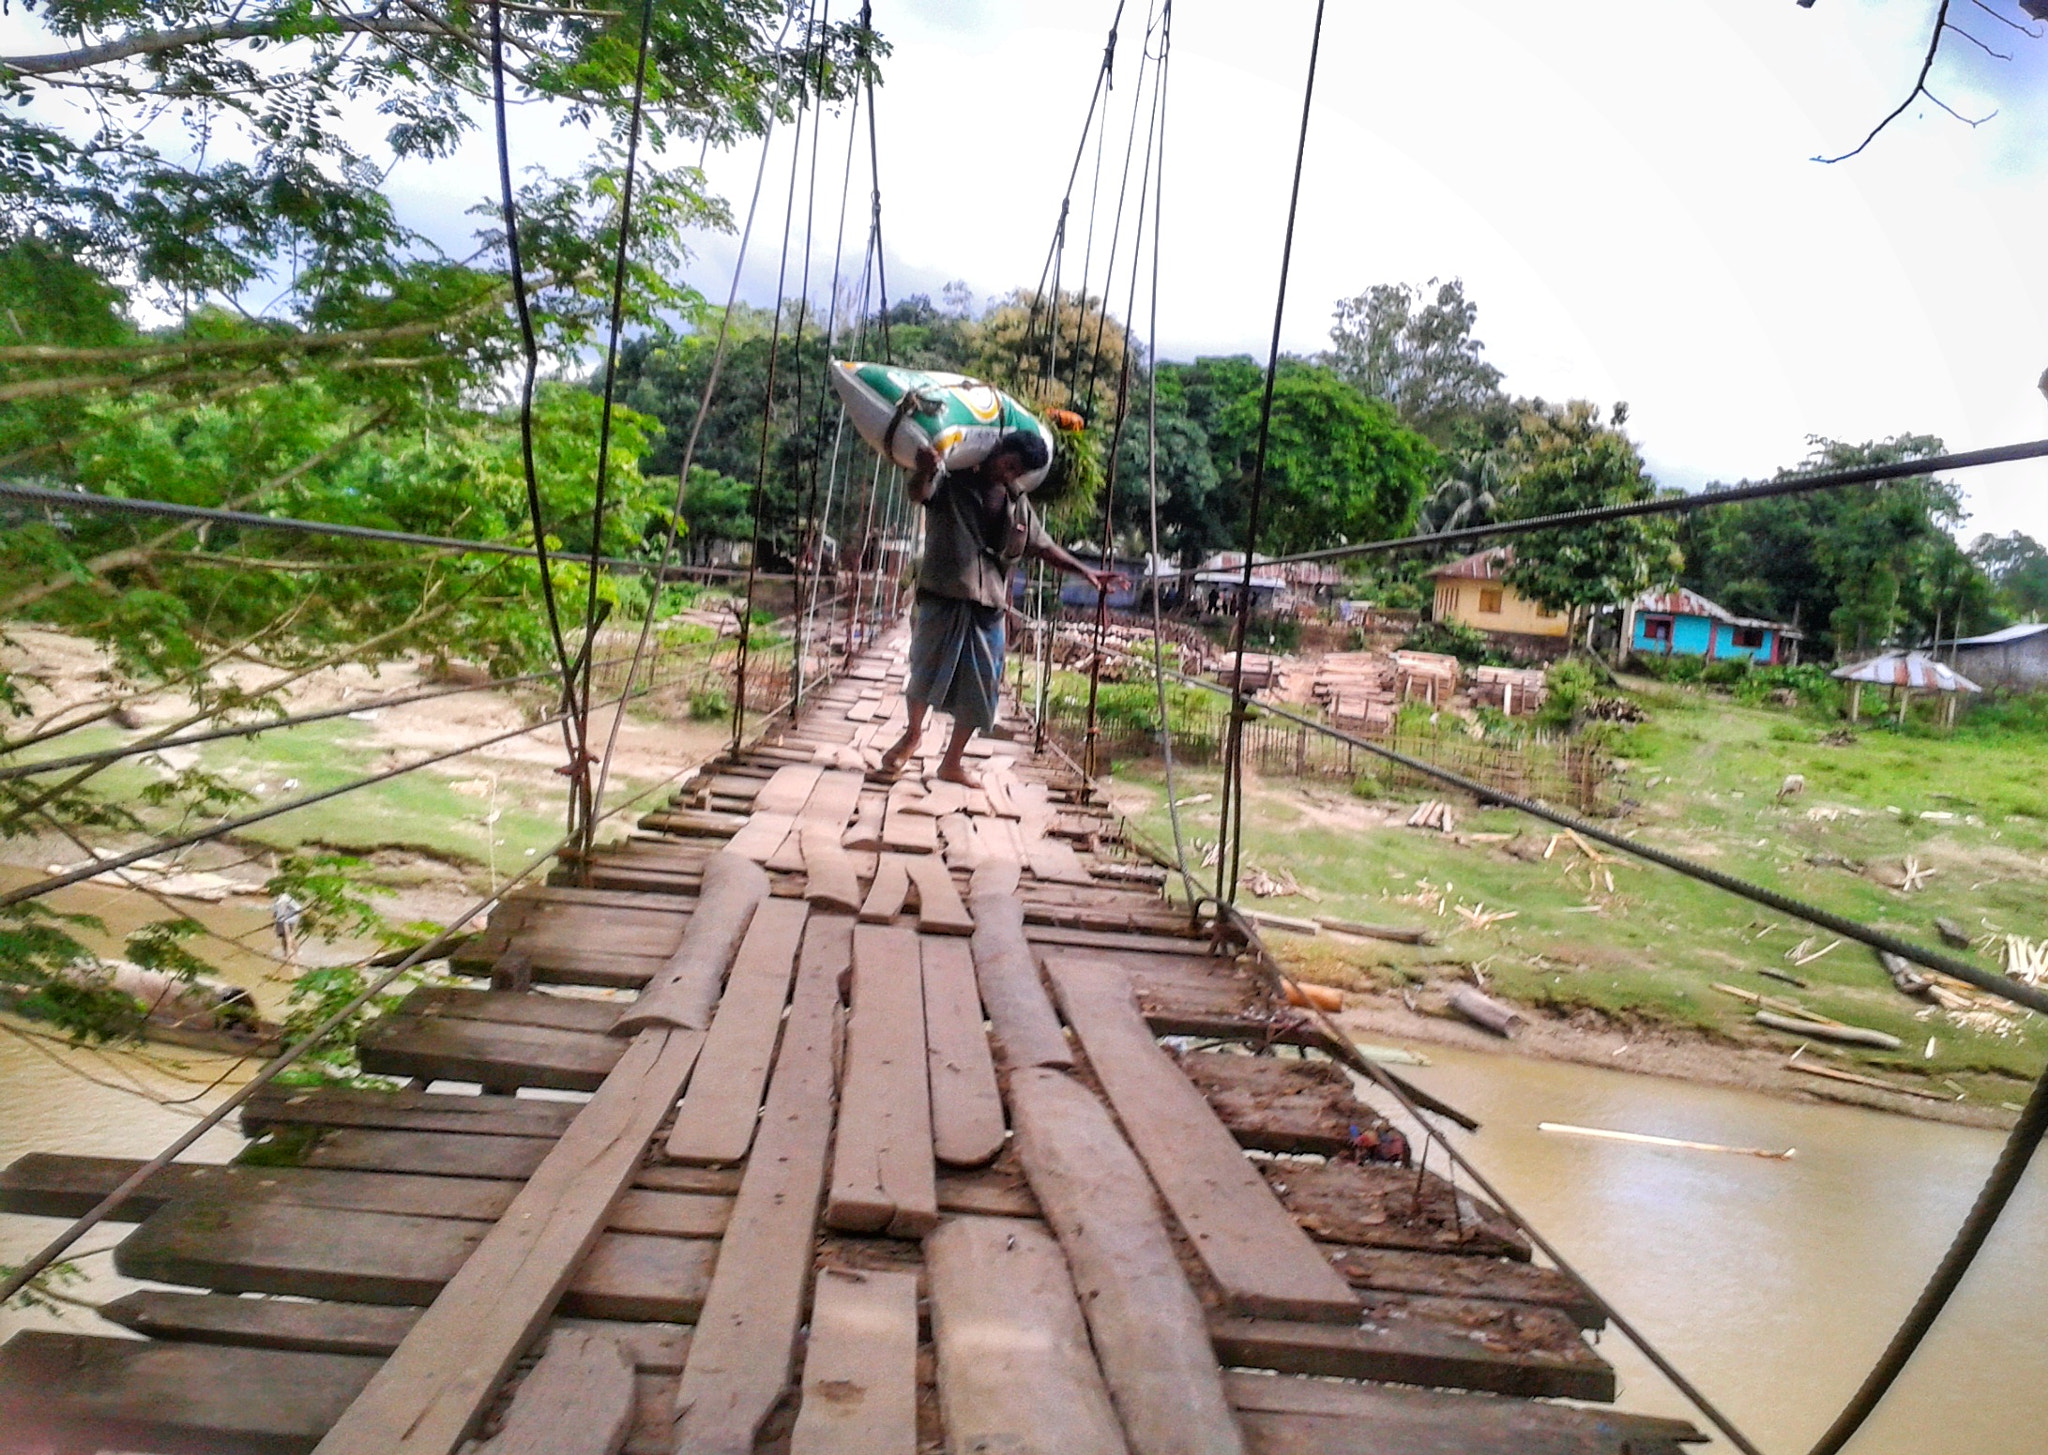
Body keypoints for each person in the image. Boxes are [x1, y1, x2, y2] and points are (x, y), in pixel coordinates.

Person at [882, 429, 1123, 785]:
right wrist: (923, 470)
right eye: (1008, 464)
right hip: (944, 593)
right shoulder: (949, 478)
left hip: (989, 605)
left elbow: (1041, 546)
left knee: (984, 685)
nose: (1007, 474)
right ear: (997, 450)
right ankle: (913, 734)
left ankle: (952, 762)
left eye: (1016, 472)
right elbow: (919, 494)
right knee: (924, 671)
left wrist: (1085, 570)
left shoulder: (1017, 501)